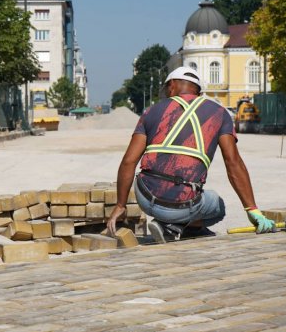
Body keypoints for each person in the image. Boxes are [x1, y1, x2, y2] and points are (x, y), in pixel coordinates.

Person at [106, 67, 275, 244]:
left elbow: (128, 162)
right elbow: (233, 162)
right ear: (199, 92)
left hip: (145, 198)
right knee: (217, 206)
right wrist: (252, 209)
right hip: (181, 205)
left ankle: (171, 225)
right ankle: (177, 226)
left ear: (171, 85)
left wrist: (120, 205)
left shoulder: (151, 111)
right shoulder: (219, 114)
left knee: (176, 196)